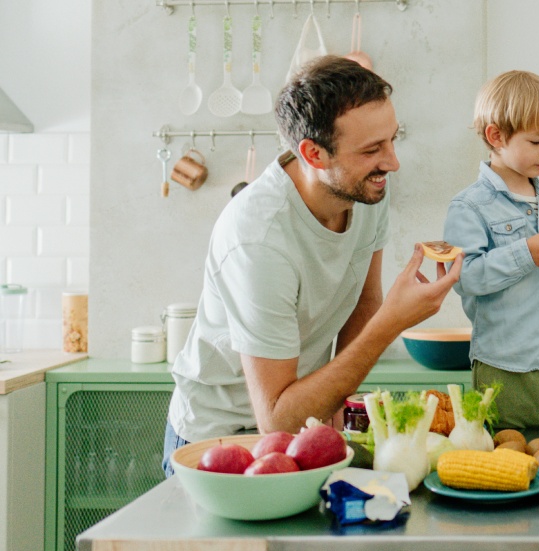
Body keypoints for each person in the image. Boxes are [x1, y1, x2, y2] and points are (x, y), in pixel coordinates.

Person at [163, 56, 461, 474]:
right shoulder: (259, 238)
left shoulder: (364, 188)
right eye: (373, 149)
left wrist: (332, 411)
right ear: (313, 154)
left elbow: (364, 302)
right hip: (226, 440)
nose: (392, 163)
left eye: (391, 141)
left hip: (304, 424)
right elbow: (276, 417)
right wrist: (393, 322)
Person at [443, 70, 539, 430]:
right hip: (506, 366)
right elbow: (465, 277)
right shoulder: (469, 206)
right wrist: (526, 253)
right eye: (537, 141)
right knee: (515, 462)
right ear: (496, 136)